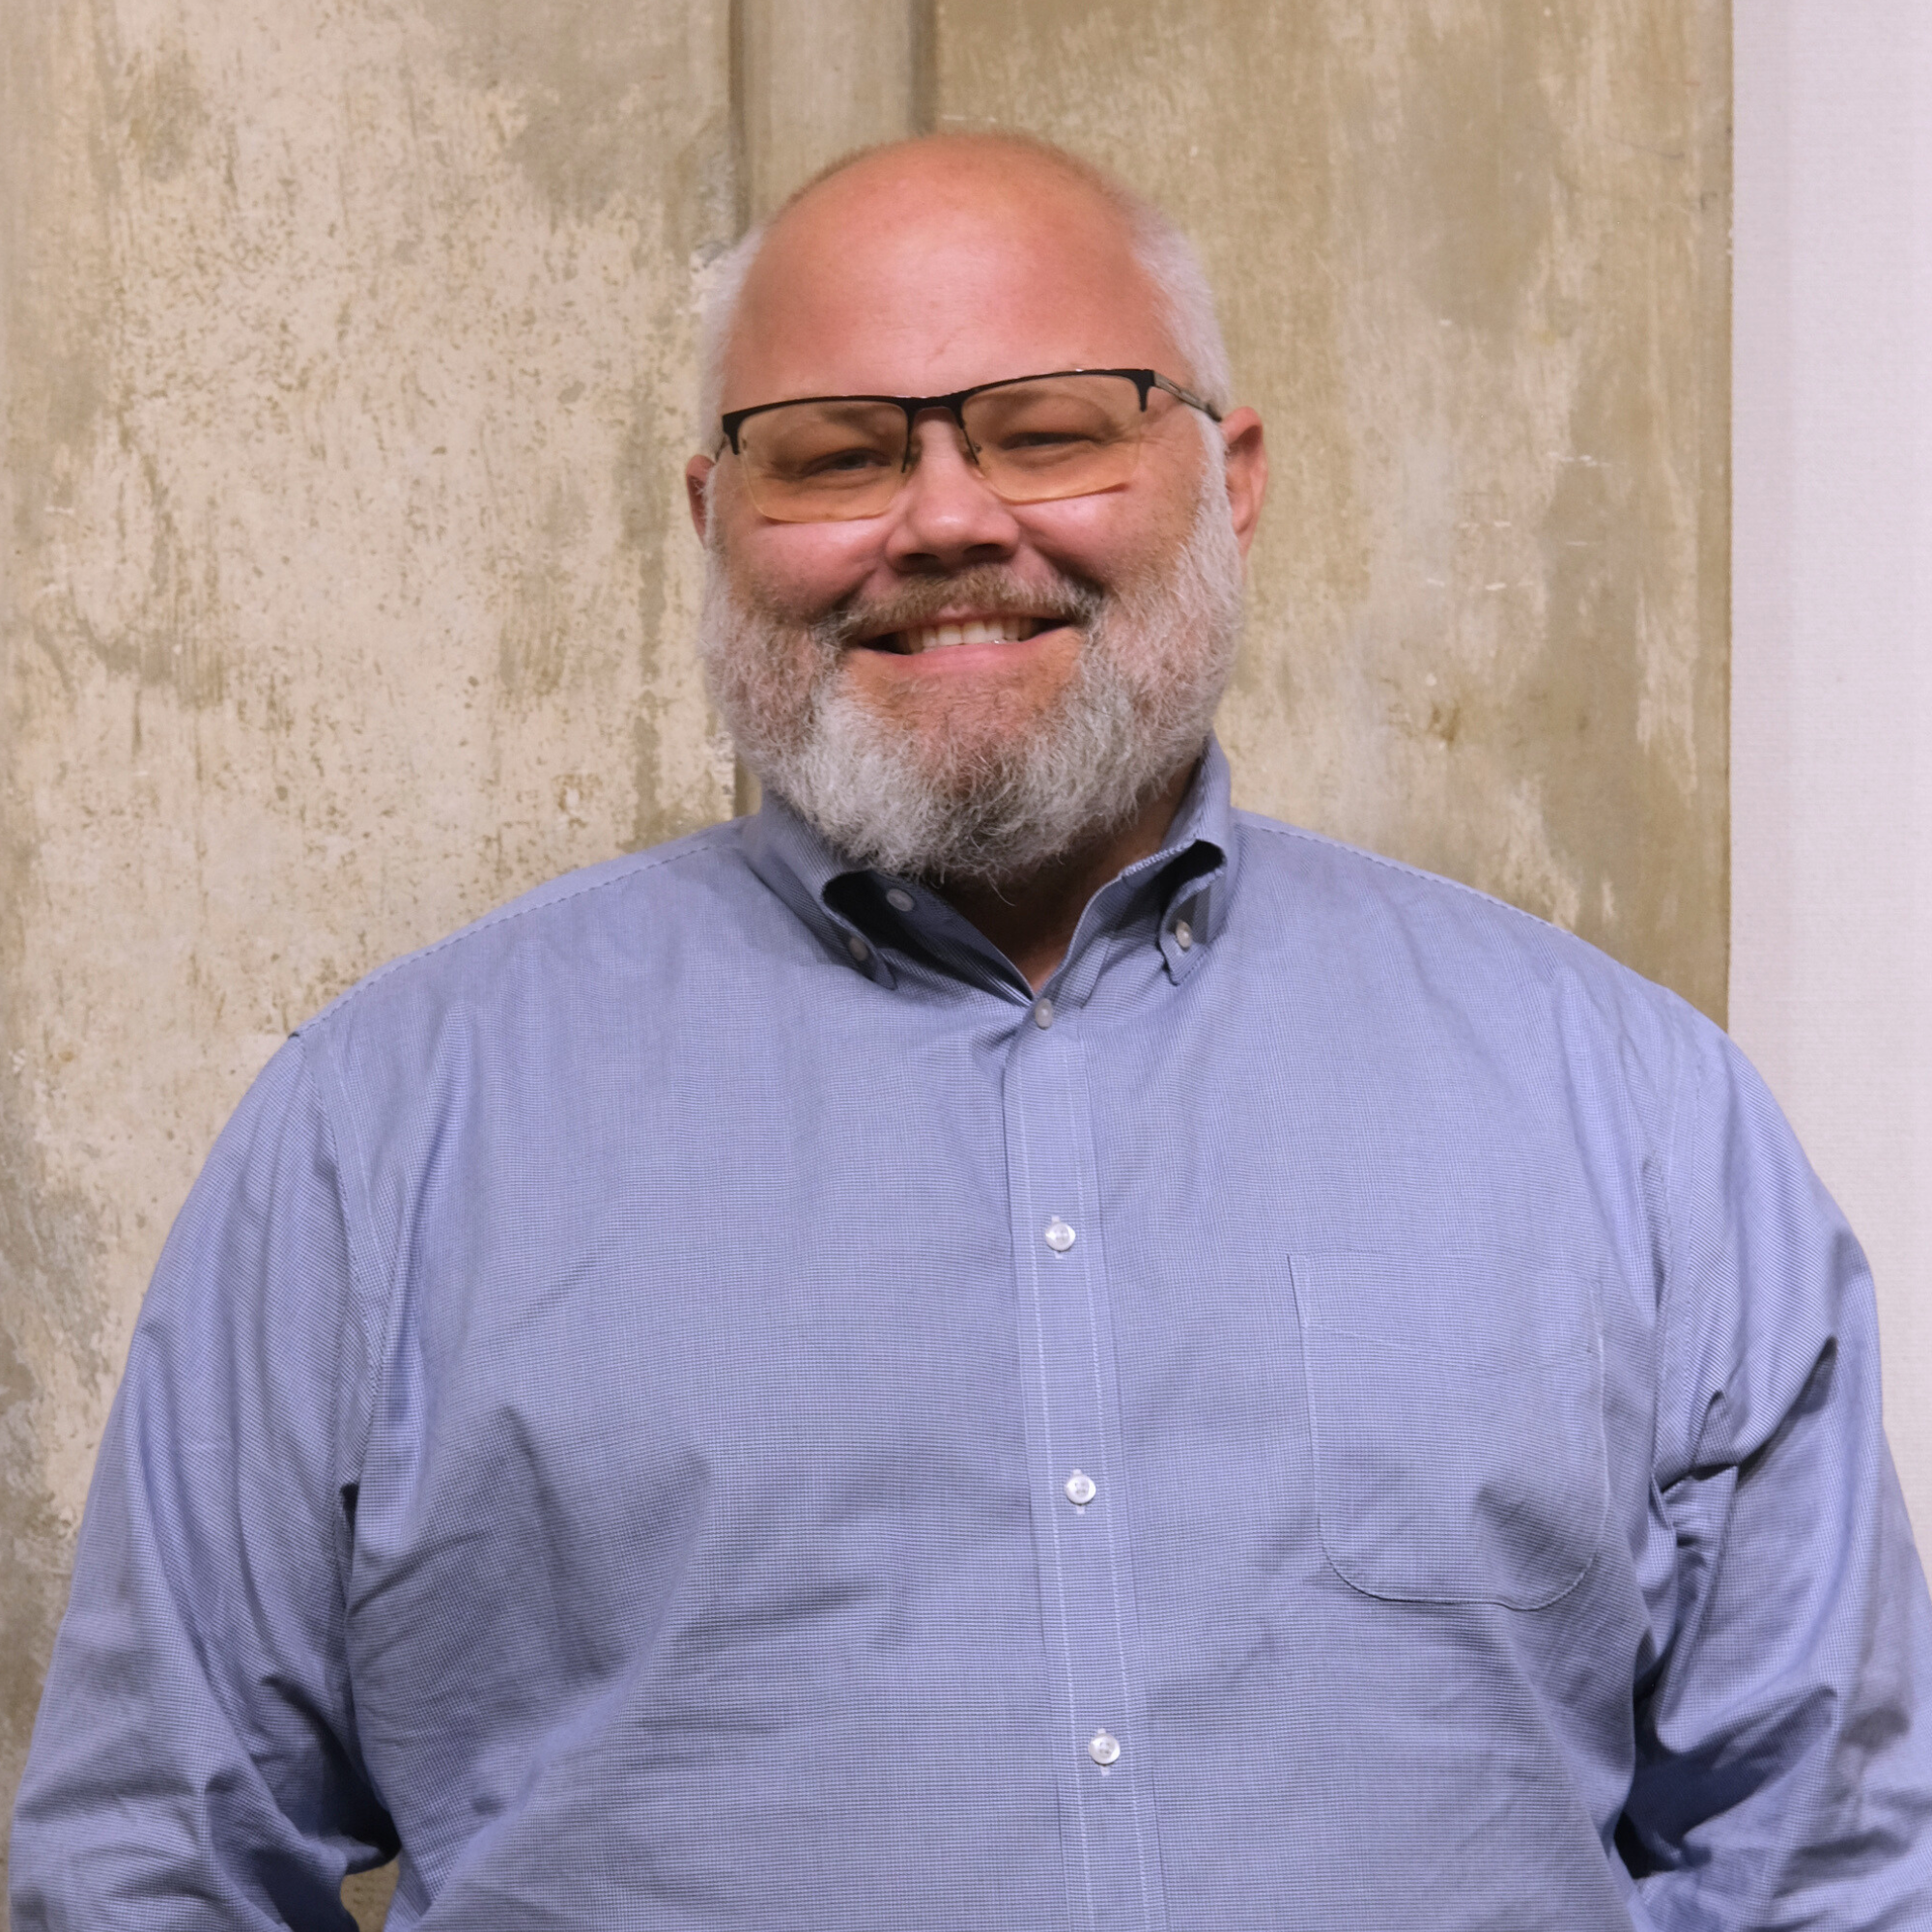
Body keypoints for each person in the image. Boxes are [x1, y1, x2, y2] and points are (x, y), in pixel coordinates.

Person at [11, 130, 1932, 1931]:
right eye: (836, 452)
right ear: (714, 515)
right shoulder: (381, 1134)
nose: (943, 519)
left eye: (1046, 431)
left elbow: (1827, 1864)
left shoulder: (1633, 1113)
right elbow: (149, 1864)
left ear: (1230, 476)